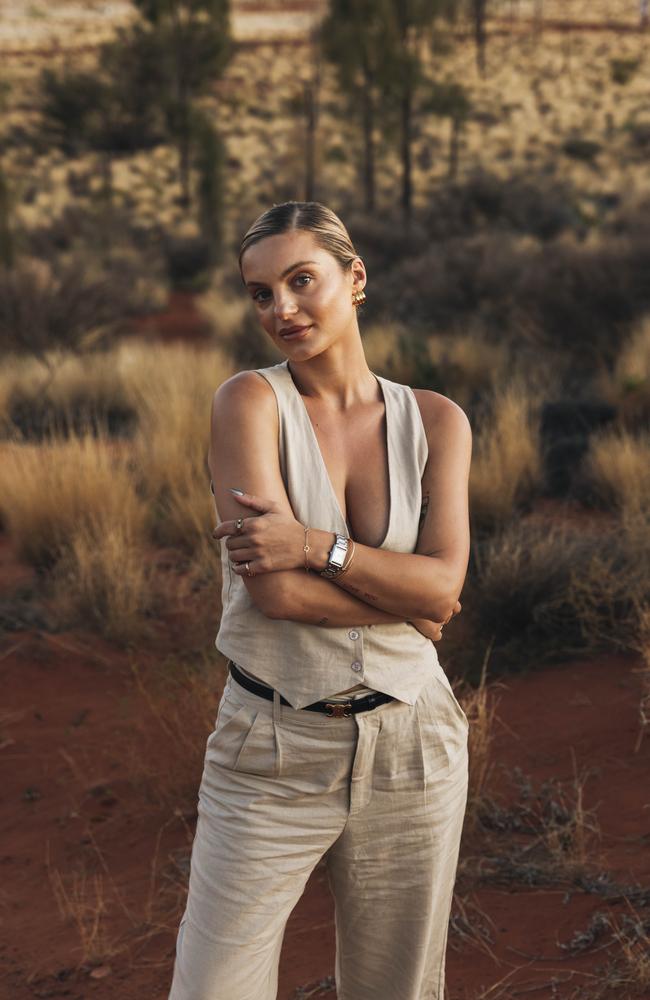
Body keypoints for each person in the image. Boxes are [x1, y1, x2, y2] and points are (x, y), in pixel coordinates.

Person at [168, 201, 472, 1000]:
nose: (282, 310)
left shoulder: (438, 421)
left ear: (356, 277)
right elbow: (275, 597)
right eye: (261, 293)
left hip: (415, 746)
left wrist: (313, 546)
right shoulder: (249, 404)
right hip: (271, 750)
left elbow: (442, 584)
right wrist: (413, 601)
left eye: (302, 281)